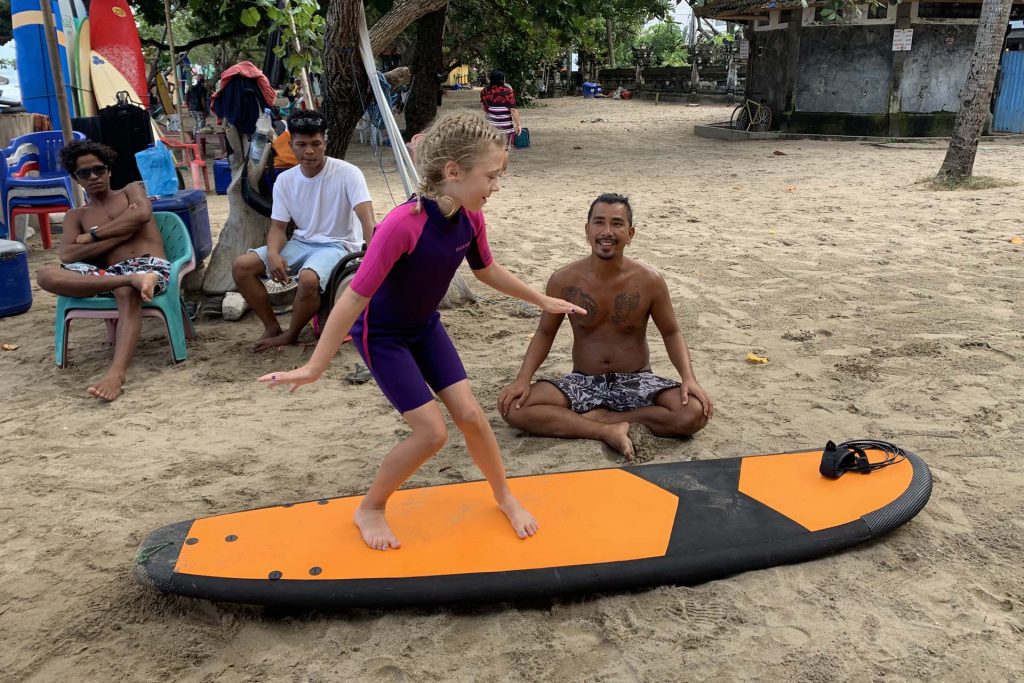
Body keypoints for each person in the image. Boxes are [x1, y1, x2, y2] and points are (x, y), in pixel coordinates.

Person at [260, 113, 584, 551]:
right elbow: (353, 299)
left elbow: (486, 270)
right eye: (491, 176)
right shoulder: (402, 224)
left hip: (425, 326)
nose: (496, 186)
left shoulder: (470, 218)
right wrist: (316, 365)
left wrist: (540, 299)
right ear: (453, 172)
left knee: (471, 416)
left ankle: (504, 495)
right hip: (383, 336)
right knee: (432, 433)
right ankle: (370, 508)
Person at [497, 193, 713, 460]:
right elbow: (545, 332)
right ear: (586, 230)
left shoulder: (650, 281)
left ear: (631, 233)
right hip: (582, 381)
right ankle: (604, 431)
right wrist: (523, 379)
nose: (607, 232)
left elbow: (671, 332)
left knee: (693, 413)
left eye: (617, 224)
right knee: (513, 407)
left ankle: (606, 419)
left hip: (636, 379)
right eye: (599, 223)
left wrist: (688, 378)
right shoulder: (563, 280)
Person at [36, 141, 170, 402]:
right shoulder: (76, 216)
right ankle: (132, 280)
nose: (94, 177)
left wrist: (93, 236)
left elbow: (141, 215)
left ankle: (116, 374)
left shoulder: (132, 190)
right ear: (76, 178)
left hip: (150, 266)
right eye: (85, 173)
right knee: (45, 275)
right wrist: (121, 233)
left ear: (109, 171)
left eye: (98, 169)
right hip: (113, 275)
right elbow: (67, 255)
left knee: (125, 290)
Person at [232, 109, 375, 352]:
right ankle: (271, 326)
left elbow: (367, 220)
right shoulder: (285, 180)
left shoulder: (348, 174)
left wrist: (373, 259)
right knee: (242, 266)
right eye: (302, 144)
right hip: (302, 242)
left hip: (338, 244)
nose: (309, 151)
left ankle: (292, 333)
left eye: (316, 144)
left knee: (309, 279)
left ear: (325, 142)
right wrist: (275, 254)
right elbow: (278, 227)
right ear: (291, 145)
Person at [480, 70, 521, 149]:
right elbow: (513, 110)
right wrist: (518, 124)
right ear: (503, 79)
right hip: (505, 127)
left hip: (490, 127)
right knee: (505, 149)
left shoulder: (484, 91)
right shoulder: (508, 91)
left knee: (492, 149)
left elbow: (484, 108)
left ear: (491, 79)